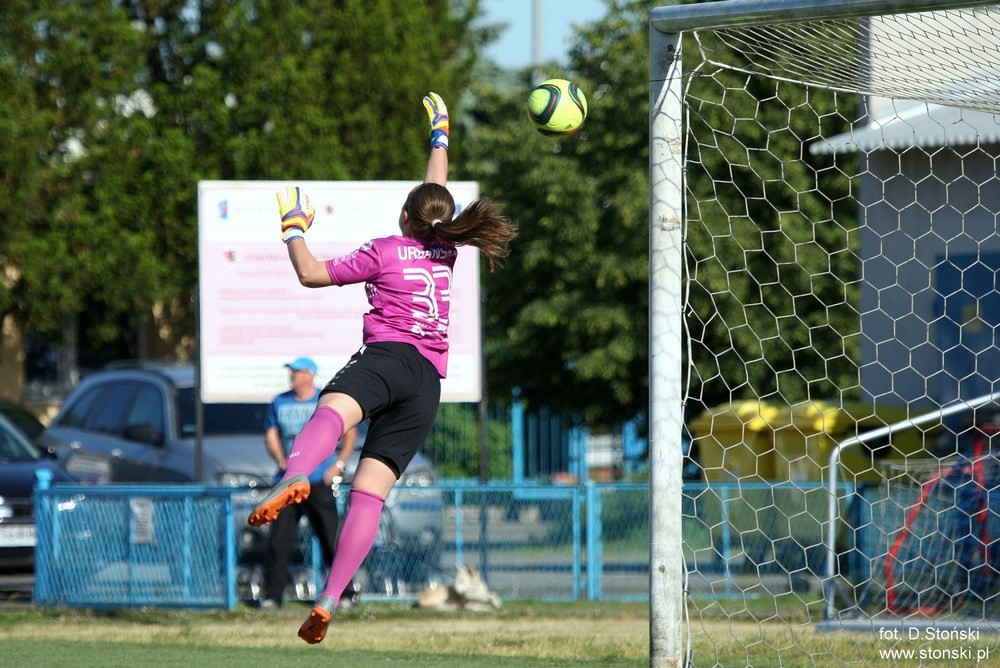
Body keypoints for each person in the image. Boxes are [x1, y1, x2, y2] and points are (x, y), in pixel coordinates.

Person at [248, 91, 517, 644]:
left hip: (388, 358)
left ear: (404, 217)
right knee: (369, 494)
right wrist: (440, 137)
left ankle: (295, 473)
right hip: (426, 384)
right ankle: (329, 598)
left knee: (330, 411)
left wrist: (294, 227)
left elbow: (310, 273)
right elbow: (435, 198)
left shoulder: (386, 249)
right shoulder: (446, 251)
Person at [259, 356, 358, 611]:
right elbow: (271, 434)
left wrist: (338, 465)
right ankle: (272, 597)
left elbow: (350, 433)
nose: (293, 375)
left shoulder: (325, 399)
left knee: (331, 539)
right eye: (291, 371)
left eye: (298, 371)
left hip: (318, 482)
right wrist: (280, 459)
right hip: (288, 483)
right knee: (278, 541)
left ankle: (344, 595)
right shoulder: (280, 401)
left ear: (310, 374)